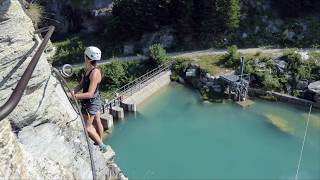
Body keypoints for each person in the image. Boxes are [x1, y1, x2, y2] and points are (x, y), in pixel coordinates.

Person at [68, 46, 107, 153]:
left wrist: (73, 97)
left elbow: (90, 94)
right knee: (97, 120)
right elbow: (80, 85)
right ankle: (99, 140)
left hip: (91, 103)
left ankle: (102, 145)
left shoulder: (94, 73)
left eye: (85, 56)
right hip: (94, 100)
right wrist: (71, 92)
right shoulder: (88, 70)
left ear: (88, 58)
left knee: (88, 127)